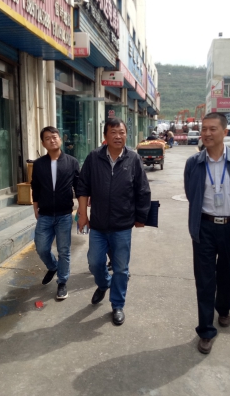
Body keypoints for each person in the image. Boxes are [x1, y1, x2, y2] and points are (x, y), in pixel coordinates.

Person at [183, 112, 230, 355]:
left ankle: (223, 308)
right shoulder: (194, 163)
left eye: (213, 129)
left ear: (225, 132)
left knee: (229, 275)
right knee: (204, 280)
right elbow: (191, 193)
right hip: (204, 227)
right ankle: (206, 330)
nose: (207, 133)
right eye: (204, 129)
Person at [76, 118, 151, 326]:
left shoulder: (133, 159)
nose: (118, 136)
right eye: (113, 132)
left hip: (122, 226)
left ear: (126, 135)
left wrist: (141, 217)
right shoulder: (94, 158)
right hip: (98, 225)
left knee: (121, 268)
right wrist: (82, 215)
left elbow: (143, 190)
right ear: (105, 136)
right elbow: (83, 187)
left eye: (122, 132)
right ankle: (103, 284)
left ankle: (117, 305)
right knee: (95, 263)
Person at [32, 126, 80, 300]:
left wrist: (82, 209)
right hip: (44, 214)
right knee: (41, 247)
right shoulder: (39, 164)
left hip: (64, 214)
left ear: (60, 139)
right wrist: (35, 206)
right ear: (43, 143)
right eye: (47, 138)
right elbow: (35, 186)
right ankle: (53, 266)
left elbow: (78, 186)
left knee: (64, 250)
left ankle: (62, 282)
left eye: (54, 137)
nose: (52, 140)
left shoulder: (72, 162)